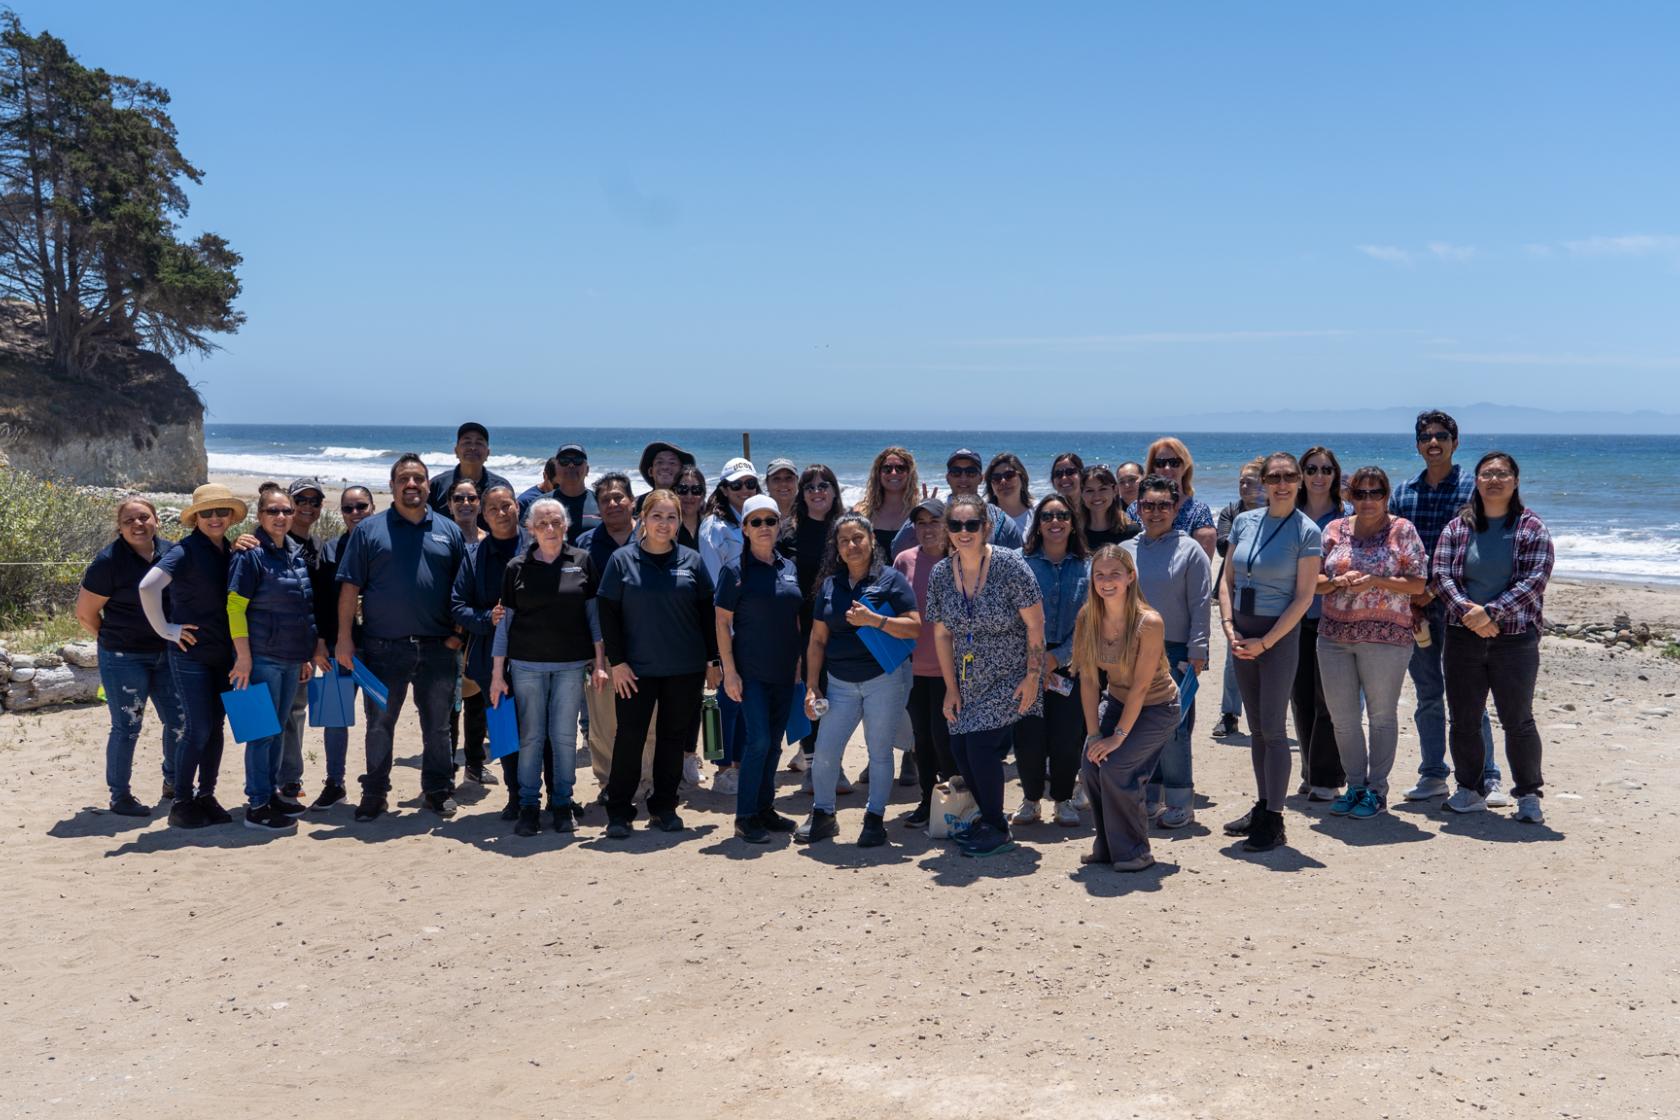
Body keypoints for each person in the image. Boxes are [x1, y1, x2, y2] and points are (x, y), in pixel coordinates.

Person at [335, 453, 467, 822]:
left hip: (438, 648)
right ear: (392, 486)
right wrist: (345, 639)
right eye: (404, 479)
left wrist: (457, 636)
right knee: (378, 725)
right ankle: (375, 792)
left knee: (438, 726)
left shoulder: (449, 530)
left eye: (419, 479)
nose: (412, 485)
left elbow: (463, 589)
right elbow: (349, 590)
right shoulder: (368, 530)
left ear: (428, 486)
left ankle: (438, 790)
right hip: (381, 648)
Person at [1432, 452, 1553, 823]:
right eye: (1487, 474)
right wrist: (1471, 613)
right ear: (1477, 481)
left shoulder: (1531, 528)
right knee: (1464, 718)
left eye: (1502, 473)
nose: (1494, 480)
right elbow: (1440, 574)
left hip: (1515, 640)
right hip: (1463, 636)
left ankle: (1529, 795)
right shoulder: (1458, 527)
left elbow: (1535, 579)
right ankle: (1468, 790)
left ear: (1515, 481)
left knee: (1518, 720)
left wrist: (1490, 612)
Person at [924, 494, 1045, 857]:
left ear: (986, 528)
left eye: (971, 525)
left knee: (978, 746)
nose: (964, 532)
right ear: (947, 530)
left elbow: (1036, 626)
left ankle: (997, 825)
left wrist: (1032, 678)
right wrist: (949, 688)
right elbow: (943, 634)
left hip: (1012, 676)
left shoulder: (1011, 566)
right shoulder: (942, 573)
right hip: (967, 679)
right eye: (956, 525)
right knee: (960, 746)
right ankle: (987, 817)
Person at [1390, 409, 1501, 803]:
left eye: (1441, 436)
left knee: (1468, 696)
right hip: (1414, 612)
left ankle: (1487, 776)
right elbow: (1394, 548)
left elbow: (1475, 550)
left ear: (1456, 442)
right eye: (1425, 437)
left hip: (1460, 608)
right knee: (1428, 694)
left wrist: (1432, 589)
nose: (1433, 442)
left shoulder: (1475, 490)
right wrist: (1410, 595)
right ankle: (1433, 774)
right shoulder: (1403, 493)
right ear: (1417, 444)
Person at [597, 489, 722, 837]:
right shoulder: (622, 560)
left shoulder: (692, 561)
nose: (664, 524)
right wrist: (617, 662)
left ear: (679, 521)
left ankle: (664, 808)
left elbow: (706, 614)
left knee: (672, 739)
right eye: (657, 516)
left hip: (685, 668)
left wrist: (713, 661)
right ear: (643, 519)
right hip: (635, 670)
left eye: (671, 517)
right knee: (630, 739)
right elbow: (607, 613)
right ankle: (619, 812)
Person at [1217, 452, 1322, 852]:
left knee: (1274, 730)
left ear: (1298, 481)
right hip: (1241, 634)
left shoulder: (1306, 530)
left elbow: (1304, 597)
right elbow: (1226, 581)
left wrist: (1267, 641)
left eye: (1289, 476)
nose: (1281, 483)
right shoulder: (1244, 522)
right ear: (1262, 481)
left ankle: (1274, 820)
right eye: (1274, 477)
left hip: (1277, 638)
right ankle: (1263, 805)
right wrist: (1229, 627)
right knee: (1256, 729)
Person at [796, 513, 920, 847]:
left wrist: (875, 620)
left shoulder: (891, 580)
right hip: (839, 683)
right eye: (843, 541)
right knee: (824, 751)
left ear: (871, 541)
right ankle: (823, 815)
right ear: (836, 548)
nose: (851, 545)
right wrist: (811, 685)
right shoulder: (829, 585)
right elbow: (817, 640)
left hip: (884, 678)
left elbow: (915, 626)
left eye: (857, 538)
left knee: (879, 752)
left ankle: (874, 818)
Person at [1315, 466, 1427, 818]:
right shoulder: (1334, 529)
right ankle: (1355, 786)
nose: (1367, 500)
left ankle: (1376, 791)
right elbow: (1313, 581)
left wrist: (1376, 580)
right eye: (1359, 493)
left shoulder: (1402, 530)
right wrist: (1337, 582)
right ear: (1349, 496)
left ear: (1386, 495)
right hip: (1334, 636)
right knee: (1343, 718)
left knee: (1380, 716)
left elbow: (1418, 584)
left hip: (1387, 638)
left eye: (1375, 492)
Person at [489, 498, 604, 836]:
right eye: (542, 524)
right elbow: (504, 625)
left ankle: (562, 803)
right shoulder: (516, 568)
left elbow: (594, 619)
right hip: (526, 666)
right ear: (530, 529)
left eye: (556, 522)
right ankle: (528, 805)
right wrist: (498, 675)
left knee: (565, 738)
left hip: (571, 666)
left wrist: (599, 664)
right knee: (531, 738)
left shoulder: (582, 561)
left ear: (566, 525)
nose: (550, 529)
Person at [138, 483, 246, 829]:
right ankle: (182, 801)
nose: (214, 518)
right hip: (191, 656)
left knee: (216, 727)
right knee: (197, 728)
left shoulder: (230, 549)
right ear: (195, 518)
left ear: (230, 517)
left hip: (223, 655)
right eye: (206, 513)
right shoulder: (184, 551)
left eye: (220, 512)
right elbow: (147, 586)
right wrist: (166, 630)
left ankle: (206, 795)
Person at [1073, 545, 1182, 872]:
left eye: (1114, 574)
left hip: (1158, 706)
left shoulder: (1149, 622)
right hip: (1118, 701)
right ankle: (1108, 847)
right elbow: (1090, 681)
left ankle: (1137, 851)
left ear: (1131, 577)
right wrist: (1094, 735)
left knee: (1118, 766)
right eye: (1099, 575)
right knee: (1091, 764)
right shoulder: (1087, 617)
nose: (1106, 581)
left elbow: (1141, 687)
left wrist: (1118, 737)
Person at [227, 489, 329, 831]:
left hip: (289, 659)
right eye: (273, 510)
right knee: (260, 732)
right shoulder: (250, 554)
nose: (281, 516)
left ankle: (269, 795)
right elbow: (235, 607)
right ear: (260, 515)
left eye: (286, 510)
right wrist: (243, 657)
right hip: (260, 659)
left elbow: (303, 609)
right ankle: (256, 804)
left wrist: (304, 655)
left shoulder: (294, 553)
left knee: (276, 732)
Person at [76, 497, 180, 816]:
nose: (137, 524)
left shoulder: (173, 553)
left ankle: (173, 784)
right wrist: (113, 643)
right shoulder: (108, 562)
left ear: (157, 520)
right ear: (119, 528)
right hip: (124, 658)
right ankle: (120, 796)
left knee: (179, 722)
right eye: (129, 521)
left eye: (144, 517)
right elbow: (85, 614)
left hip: (167, 655)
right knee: (128, 726)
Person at [1123, 475, 1212, 828]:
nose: (1156, 512)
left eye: (1163, 505)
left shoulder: (1189, 550)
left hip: (1175, 650)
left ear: (1176, 508)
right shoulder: (1128, 550)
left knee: (1173, 727)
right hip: (1132, 649)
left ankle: (1180, 800)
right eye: (1148, 505)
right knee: (1142, 726)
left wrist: (1198, 651)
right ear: (1138, 508)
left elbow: (1201, 603)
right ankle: (1150, 795)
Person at [715, 494, 805, 843]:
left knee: (774, 745)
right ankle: (746, 816)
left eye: (771, 521)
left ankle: (765, 809)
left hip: (784, 672)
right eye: (757, 522)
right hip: (750, 672)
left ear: (779, 525)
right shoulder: (734, 571)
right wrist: (730, 672)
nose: (764, 527)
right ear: (745, 528)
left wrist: (798, 661)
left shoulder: (789, 567)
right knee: (758, 742)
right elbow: (722, 623)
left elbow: (794, 619)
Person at [577, 473, 658, 797]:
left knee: (649, 720)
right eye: (605, 499)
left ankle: (647, 781)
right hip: (601, 650)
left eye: (618, 497)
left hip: (647, 646)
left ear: (632, 502)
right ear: (598, 507)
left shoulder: (652, 539)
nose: (612, 503)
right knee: (603, 724)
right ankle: (609, 782)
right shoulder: (584, 546)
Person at [1013, 494, 1090, 828]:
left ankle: (1062, 799)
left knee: (1067, 736)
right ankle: (1031, 799)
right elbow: (1009, 617)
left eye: (1062, 515)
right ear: (1038, 522)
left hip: (1073, 664)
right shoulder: (1019, 562)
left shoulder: (1089, 565)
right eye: (1047, 516)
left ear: (1073, 522)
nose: (1055, 522)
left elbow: (1092, 624)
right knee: (1027, 735)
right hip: (1025, 663)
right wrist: (1035, 662)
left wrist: (1056, 659)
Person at [451, 483, 528, 817]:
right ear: (483, 515)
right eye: (494, 508)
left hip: (540, 653)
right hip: (490, 657)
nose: (501, 513)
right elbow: (457, 605)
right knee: (505, 729)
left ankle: (552, 794)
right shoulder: (473, 557)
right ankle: (516, 795)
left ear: (518, 508)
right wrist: (486, 617)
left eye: (507, 505)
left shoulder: (539, 544)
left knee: (544, 729)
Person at [307, 486, 375, 811]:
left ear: (373, 508)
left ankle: (375, 785)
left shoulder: (385, 546)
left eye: (361, 506)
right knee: (334, 717)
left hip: (377, 651)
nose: (355, 513)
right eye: (348, 508)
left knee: (378, 720)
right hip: (337, 647)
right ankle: (334, 783)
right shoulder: (330, 550)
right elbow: (319, 600)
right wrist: (319, 642)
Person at [699, 457, 760, 792]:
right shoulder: (714, 528)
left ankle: (739, 763)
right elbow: (711, 587)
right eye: (736, 485)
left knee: (742, 700)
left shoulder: (756, 519)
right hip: (726, 629)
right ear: (723, 489)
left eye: (750, 483)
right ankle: (723, 768)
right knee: (722, 701)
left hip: (753, 628)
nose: (744, 490)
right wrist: (714, 651)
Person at [893, 497, 954, 828]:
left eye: (934, 522)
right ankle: (927, 800)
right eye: (921, 523)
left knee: (947, 739)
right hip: (914, 667)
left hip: (953, 671)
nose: (927, 529)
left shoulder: (959, 561)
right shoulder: (904, 560)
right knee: (922, 738)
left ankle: (956, 801)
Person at [1292, 445, 1348, 800]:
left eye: (1326, 469)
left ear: (1335, 475)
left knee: (1329, 700)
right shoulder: (1287, 515)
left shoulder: (1347, 517)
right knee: (1300, 699)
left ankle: (1327, 779)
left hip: (1335, 619)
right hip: (1292, 620)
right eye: (1311, 469)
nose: (1318, 476)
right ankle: (1310, 769)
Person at [786, 464, 842, 778]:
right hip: (803, 626)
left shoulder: (845, 529)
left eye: (824, 485)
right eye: (810, 486)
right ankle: (811, 762)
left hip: (843, 625)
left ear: (835, 492)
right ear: (802, 494)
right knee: (812, 692)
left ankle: (832, 763)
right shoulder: (789, 531)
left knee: (841, 697)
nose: (817, 491)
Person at [274, 477, 327, 807]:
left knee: (294, 712)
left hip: (305, 645)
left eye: (314, 501)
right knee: (272, 715)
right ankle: (270, 783)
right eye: (301, 500)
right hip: (275, 646)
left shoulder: (319, 546)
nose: (307, 506)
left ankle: (290, 779)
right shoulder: (272, 542)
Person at [1211, 457, 1266, 738]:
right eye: (1241, 481)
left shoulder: (1279, 512)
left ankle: (1268, 716)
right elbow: (1222, 546)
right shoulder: (1232, 511)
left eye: (1251, 481)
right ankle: (1229, 714)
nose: (1245, 486)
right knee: (1235, 652)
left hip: (1272, 592)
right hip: (1236, 591)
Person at [889, 449, 1024, 555]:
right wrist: (922, 511)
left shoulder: (999, 519)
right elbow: (897, 549)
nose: (963, 478)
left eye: (971, 472)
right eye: (956, 472)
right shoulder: (934, 514)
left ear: (981, 478)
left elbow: (1019, 562)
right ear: (947, 478)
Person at [1130, 439, 1216, 559]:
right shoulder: (1135, 508)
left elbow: (1202, 565)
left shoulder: (1199, 512)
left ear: (1185, 466)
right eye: (1160, 463)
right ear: (1152, 467)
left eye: (1174, 462)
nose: (1167, 468)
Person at [427, 421, 512, 515]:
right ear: (456, 451)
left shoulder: (501, 487)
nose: (472, 447)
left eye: (479, 443)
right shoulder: (438, 485)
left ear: (488, 453)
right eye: (467, 442)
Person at [855, 446, 920, 558]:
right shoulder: (863, 512)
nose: (893, 473)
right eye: (887, 469)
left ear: (909, 473)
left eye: (900, 468)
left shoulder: (919, 512)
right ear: (878, 474)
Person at [547, 443, 600, 544]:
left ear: (587, 470)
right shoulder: (540, 504)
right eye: (564, 461)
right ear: (556, 469)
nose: (571, 465)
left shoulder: (601, 503)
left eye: (578, 461)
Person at [1078, 463, 1140, 548]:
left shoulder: (1132, 533)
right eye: (1089, 491)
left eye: (1103, 489)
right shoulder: (1075, 536)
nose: (1097, 496)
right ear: (1081, 494)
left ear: (1115, 490)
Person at [636, 439, 696, 514]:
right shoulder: (637, 504)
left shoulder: (692, 505)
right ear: (650, 471)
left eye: (672, 463)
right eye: (659, 462)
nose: (665, 467)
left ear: (682, 472)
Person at [984, 452, 1034, 535]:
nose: (1003, 481)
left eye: (1009, 475)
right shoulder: (984, 516)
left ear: (1022, 478)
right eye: (996, 478)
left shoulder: (1038, 512)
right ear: (991, 485)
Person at [674, 464, 707, 550]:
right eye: (683, 489)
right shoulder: (667, 527)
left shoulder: (710, 527)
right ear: (674, 492)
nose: (689, 496)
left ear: (703, 495)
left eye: (696, 490)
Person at [446, 478, 483, 546]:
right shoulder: (443, 542)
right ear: (450, 505)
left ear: (480, 505)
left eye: (472, 498)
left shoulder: (490, 541)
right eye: (458, 498)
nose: (466, 503)